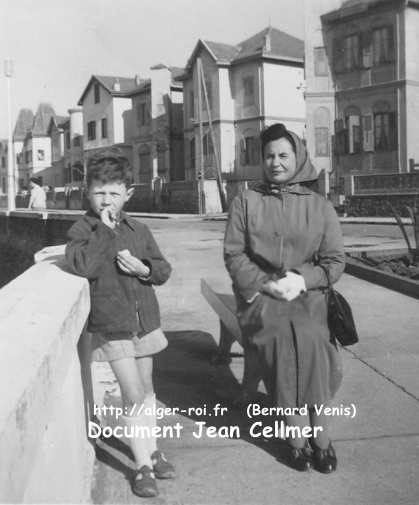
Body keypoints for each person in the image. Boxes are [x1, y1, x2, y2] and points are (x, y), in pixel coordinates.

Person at [224, 123, 345, 474]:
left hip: (308, 296)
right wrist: (265, 284)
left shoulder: (319, 206)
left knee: (311, 340)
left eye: (283, 155)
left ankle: (320, 436)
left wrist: (302, 279)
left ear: (298, 157)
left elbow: (335, 261)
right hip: (261, 296)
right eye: (269, 156)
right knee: (278, 341)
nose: (275, 162)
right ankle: (295, 436)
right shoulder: (246, 201)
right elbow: (235, 255)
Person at [65, 149, 174, 498]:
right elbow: (83, 266)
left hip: (143, 320)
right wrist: (104, 233)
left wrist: (144, 268)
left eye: (114, 192)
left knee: (147, 388)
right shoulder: (83, 229)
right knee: (133, 393)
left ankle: (152, 448)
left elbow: (162, 269)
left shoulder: (138, 228)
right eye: (99, 192)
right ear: (88, 192)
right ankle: (142, 465)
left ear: (128, 194)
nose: (106, 199)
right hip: (111, 324)